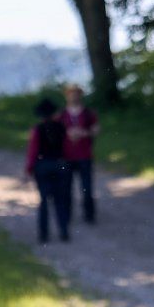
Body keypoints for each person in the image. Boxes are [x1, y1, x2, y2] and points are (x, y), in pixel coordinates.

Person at [24, 97, 71, 243]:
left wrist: (29, 168)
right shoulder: (61, 128)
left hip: (43, 166)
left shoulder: (38, 129)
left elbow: (33, 150)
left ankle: (43, 234)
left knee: (44, 201)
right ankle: (63, 231)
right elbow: (67, 147)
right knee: (60, 200)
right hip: (59, 166)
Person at [58, 84, 100, 224]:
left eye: (76, 93)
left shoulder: (88, 113)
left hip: (84, 156)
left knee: (87, 188)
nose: (74, 96)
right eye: (71, 93)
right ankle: (66, 216)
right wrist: (67, 133)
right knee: (66, 189)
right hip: (67, 157)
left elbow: (96, 129)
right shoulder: (62, 114)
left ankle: (89, 215)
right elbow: (53, 132)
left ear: (80, 95)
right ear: (67, 95)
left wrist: (84, 133)